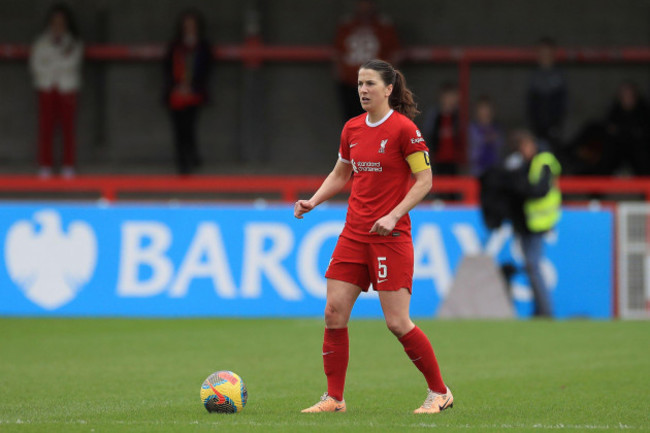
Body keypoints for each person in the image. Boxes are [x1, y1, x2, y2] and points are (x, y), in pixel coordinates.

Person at [295, 59, 452, 414]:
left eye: (370, 84)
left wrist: (394, 214)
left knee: (397, 322)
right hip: (354, 234)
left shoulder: (404, 130)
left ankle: (440, 392)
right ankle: (334, 398)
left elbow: (424, 181)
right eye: (360, 84)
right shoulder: (352, 128)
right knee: (333, 312)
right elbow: (341, 173)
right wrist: (313, 201)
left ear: (388, 89)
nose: (363, 90)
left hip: (390, 236)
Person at [493, 130, 561, 317]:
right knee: (531, 266)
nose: (524, 151)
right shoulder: (522, 163)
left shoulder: (543, 161)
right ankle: (540, 309)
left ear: (532, 145)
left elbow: (540, 190)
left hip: (539, 222)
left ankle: (546, 311)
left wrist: (520, 187)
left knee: (533, 265)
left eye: (525, 146)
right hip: (525, 222)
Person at [29, 3, 83, 179]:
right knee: (45, 128)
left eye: (61, 22)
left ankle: (68, 166)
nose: (58, 25)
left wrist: (52, 64)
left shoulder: (74, 42)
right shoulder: (41, 42)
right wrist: (57, 66)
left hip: (67, 89)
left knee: (68, 129)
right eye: (55, 22)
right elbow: (36, 64)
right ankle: (45, 165)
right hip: (47, 88)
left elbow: (73, 64)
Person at [334, 0, 400, 122]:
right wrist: (342, 76)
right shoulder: (347, 24)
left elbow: (395, 54)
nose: (364, 6)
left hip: (376, 85)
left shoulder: (383, 25)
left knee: (376, 123)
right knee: (352, 123)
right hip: (350, 84)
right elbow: (338, 54)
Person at [163, 9, 212, 175]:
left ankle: (193, 157)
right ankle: (182, 162)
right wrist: (176, 86)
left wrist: (193, 87)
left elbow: (206, 70)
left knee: (190, 126)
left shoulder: (202, 46)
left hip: (194, 93)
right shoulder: (175, 46)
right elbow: (167, 69)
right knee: (179, 129)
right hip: (176, 95)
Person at [526, 37, 567, 153]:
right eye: (541, 52)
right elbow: (530, 105)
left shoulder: (560, 76)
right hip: (537, 129)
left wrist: (556, 127)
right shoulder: (534, 77)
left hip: (556, 130)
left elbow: (563, 105)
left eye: (547, 53)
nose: (544, 56)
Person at [601, 81, 650, 175]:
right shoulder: (614, 111)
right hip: (618, 150)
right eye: (624, 95)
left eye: (630, 95)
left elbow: (643, 132)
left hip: (638, 152)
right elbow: (608, 129)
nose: (627, 98)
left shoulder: (644, 112)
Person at [422, 82, 463, 175]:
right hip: (437, 160)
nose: (451, 100)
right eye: (449, 96)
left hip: (455, 161)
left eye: (453, 96)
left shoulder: (458, 117)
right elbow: (427, 135)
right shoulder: (434, 116)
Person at [468, 96, 504, 177]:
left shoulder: (497, 128)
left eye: (487, 110)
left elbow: (500, 145)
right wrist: (485, 139)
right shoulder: (472, 128)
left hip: (494, 170)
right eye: (481, 110)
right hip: (477, 170)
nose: (484, 113)